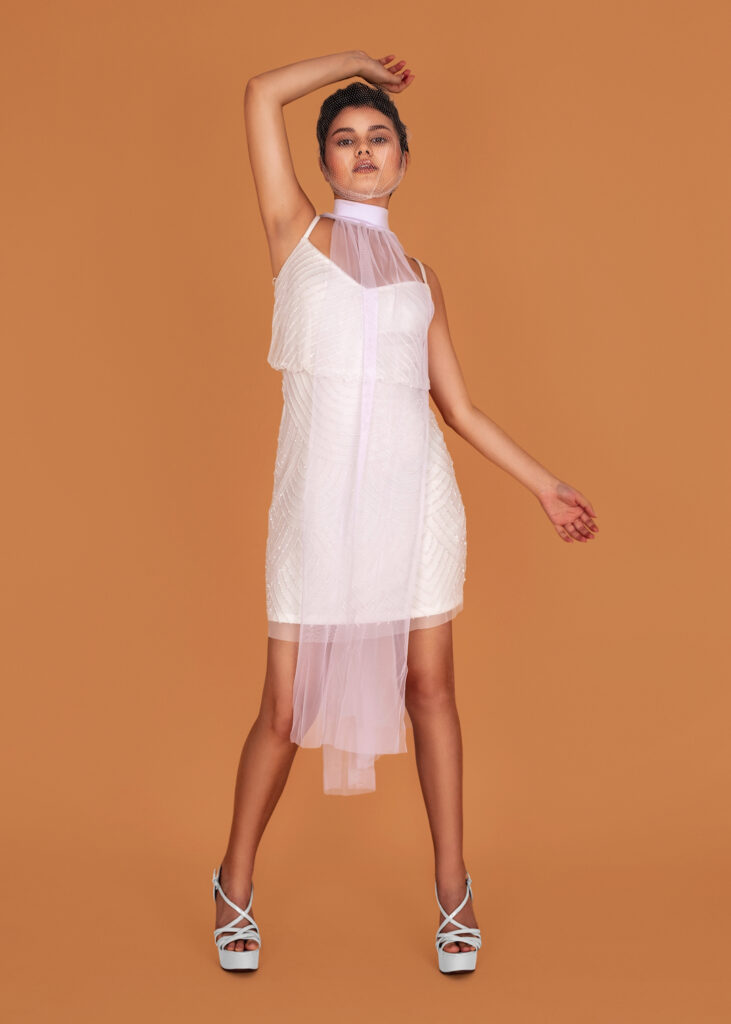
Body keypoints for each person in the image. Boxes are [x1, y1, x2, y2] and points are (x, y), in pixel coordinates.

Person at [212, 50, 599, 974]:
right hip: (312, 509)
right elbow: (258, 92)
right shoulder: (291, 236)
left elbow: (455, 410)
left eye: (378, 137)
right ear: (321, 162)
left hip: (413, 499)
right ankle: (231, 885)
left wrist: (543, 484)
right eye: (343, 141)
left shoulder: (420, 275)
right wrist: (353, 63)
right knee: (282, 706)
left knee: (431, 690)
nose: (361, 152)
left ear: (402, 158)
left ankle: (454, 894)